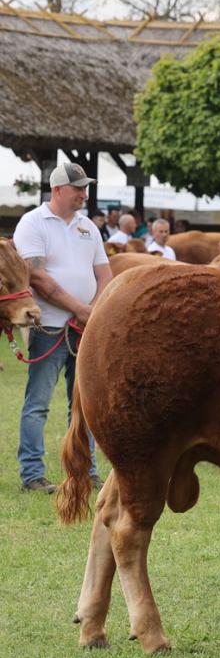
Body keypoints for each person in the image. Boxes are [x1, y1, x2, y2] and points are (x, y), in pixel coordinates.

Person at [13, 163, 109, 492]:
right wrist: (82, 310)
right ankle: (32, 474)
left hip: (84, 327)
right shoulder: (32, 223)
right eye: (78, 188)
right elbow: (36, 276)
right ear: (58, 190)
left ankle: (86, 471)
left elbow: (104, 274)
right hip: (49, 328)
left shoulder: (88, 227)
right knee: (38, 403)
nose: (84, 194)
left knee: (84, 404)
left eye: (85, 188)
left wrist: (93, 310)